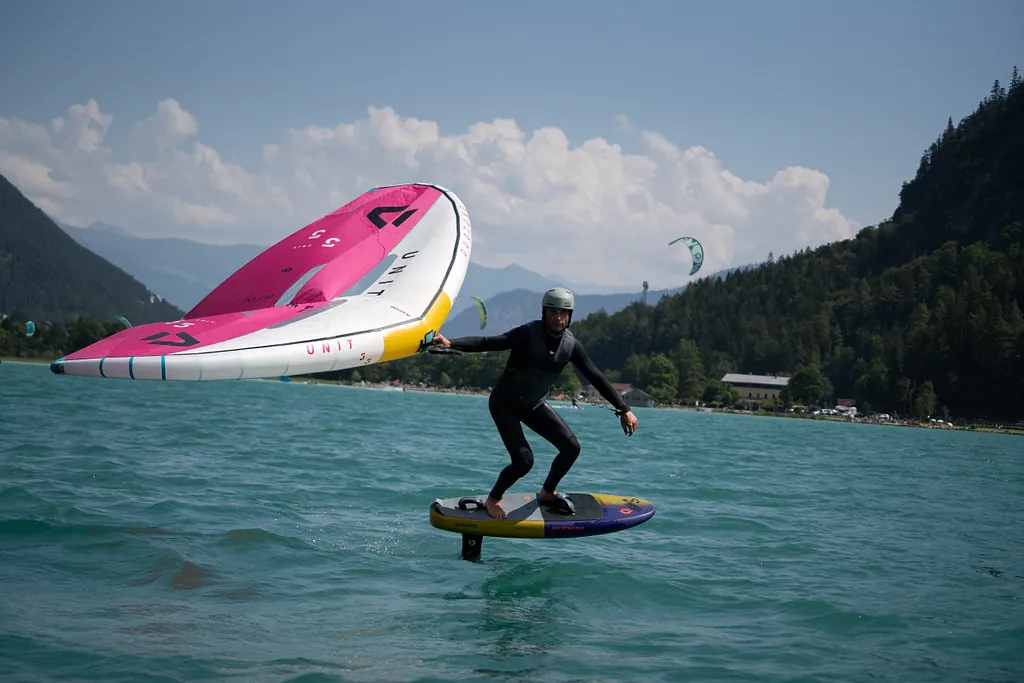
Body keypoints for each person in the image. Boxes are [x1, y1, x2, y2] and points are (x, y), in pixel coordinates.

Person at [430, 287, 639, 519]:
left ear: (570, 316)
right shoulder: (527, 334)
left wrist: (624, 410)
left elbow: (596, 377)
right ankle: (494, 499)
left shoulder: (571, 346)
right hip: (504, 404)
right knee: (524, 461)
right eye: (553, 312)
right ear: (544, 313)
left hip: (533, 405)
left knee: (571, 448)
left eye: (564, 313)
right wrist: (451, 343)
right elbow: (489, 341)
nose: (558, 318)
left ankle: (548, 492)